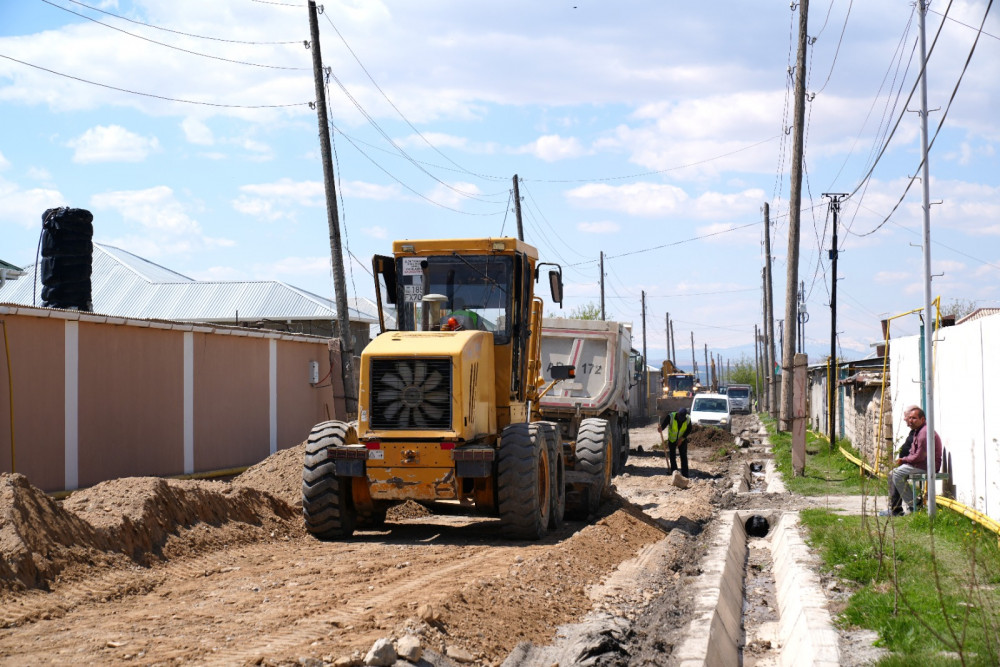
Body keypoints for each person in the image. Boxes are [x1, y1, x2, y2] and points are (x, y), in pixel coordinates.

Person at [880, 405, 943, 517]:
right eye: (909, 418)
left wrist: (903, 460)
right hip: (921, 464)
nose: (910, 421)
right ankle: (897, 508)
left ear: (922, 419)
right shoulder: (918, 430)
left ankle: (914, 504)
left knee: (896, 473)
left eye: (914, 418)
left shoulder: (924, 433)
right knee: (893, 474)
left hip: (927, 466)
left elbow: (919, 456)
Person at [658, 407, 691, 478]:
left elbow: (689, 429)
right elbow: (664, 424)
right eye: (680, 418)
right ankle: (674, 472)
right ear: (678, 414)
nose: (681, 420)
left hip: (682, 440)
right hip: (672, 439)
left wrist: (681, 439)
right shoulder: (671, 417)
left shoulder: (688, 419)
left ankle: (685, 474)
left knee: (683, 456)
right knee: (672, 456)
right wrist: (661, 428)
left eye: (682, 418)